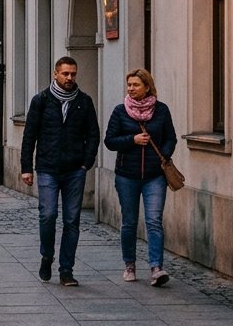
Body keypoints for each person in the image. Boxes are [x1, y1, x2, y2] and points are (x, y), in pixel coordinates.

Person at [21, 56, 100, 286]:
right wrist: (27, 167)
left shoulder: (84, 102)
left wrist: (87, 162)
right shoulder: (42, 100)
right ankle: (47, 255)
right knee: (48, 215)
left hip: (75, 169)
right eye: (65, 74)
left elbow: (93, 134)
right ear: (55, 74)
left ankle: (66, 270)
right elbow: (30, 135)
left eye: (73, 74)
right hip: (47, 167)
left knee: (72, 220)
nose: (69, 78)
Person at [104, 68, 177, 287]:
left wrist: (162, 156)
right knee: (129, 222)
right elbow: (110, 141)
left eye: (136, 85)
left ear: (147, 86)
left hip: (155, 176)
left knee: (154, 221)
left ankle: (156, 267)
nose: (131, 89)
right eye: (129, 85)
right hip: (127, 175)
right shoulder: (120, 111)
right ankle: (130, 264)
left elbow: (171, 138)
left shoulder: (161, 110)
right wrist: (132, 139)